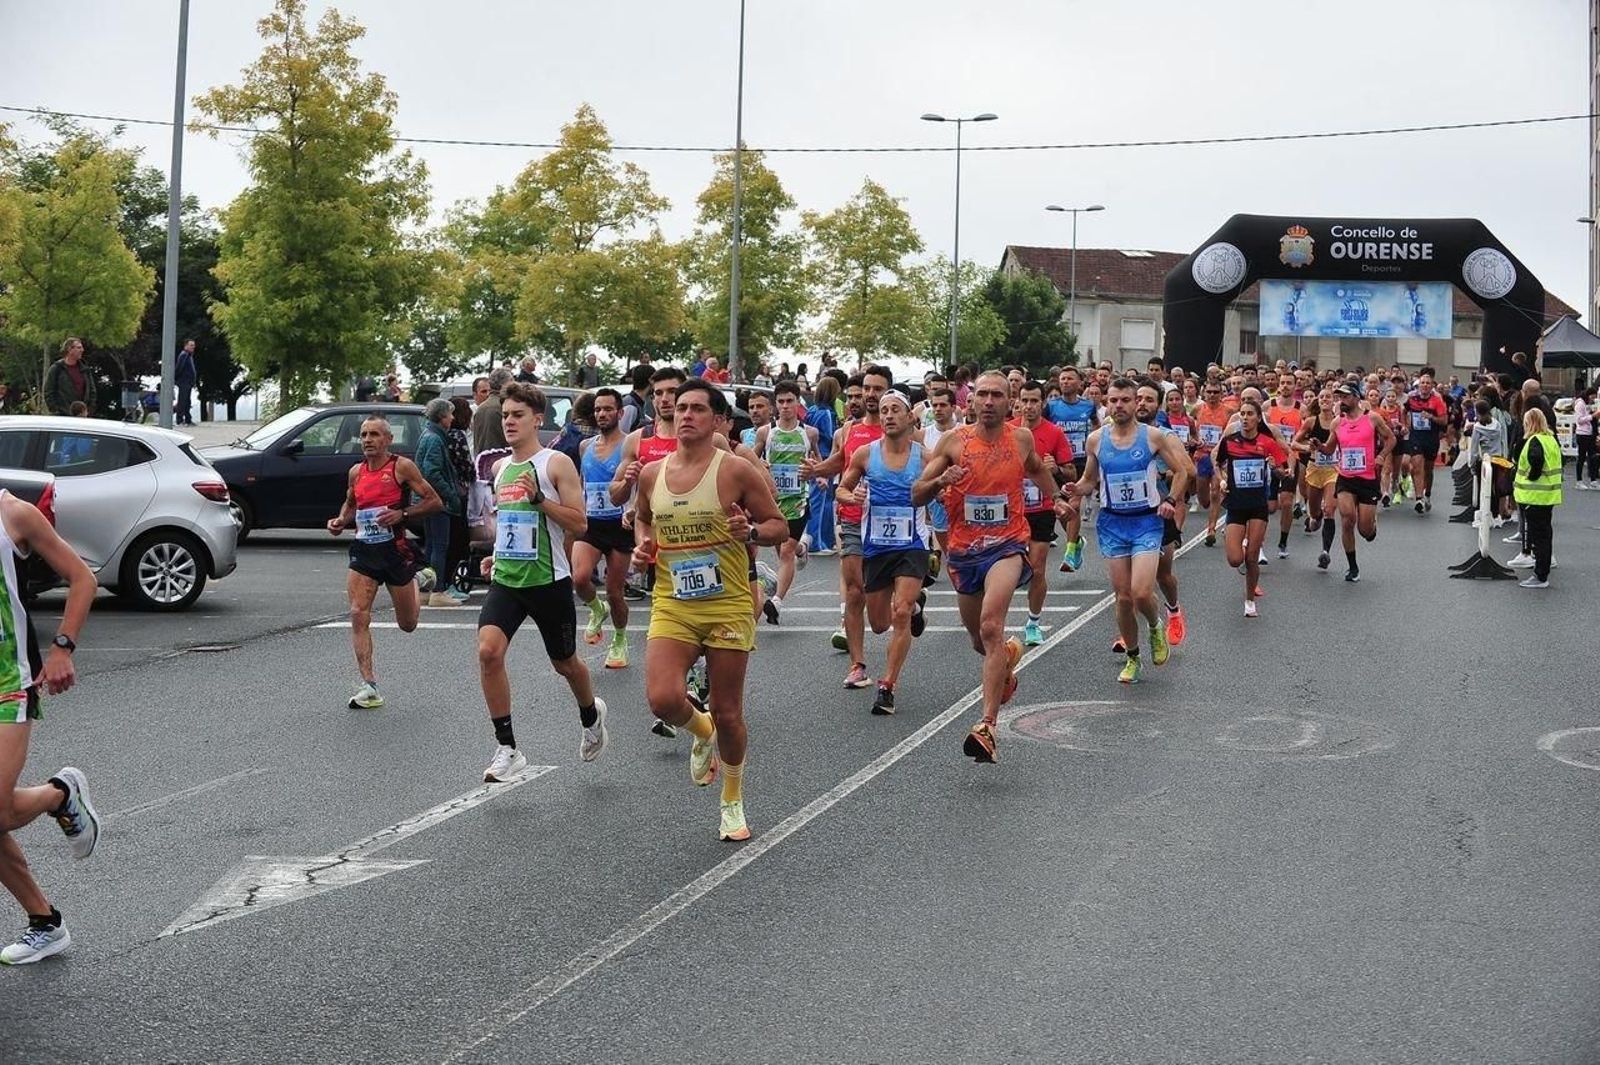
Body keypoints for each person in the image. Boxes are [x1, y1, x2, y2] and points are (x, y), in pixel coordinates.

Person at [633, 379, 787, 841]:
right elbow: (643, 517)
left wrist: (750, 533)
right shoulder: (651, 473)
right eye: (681, 407)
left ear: (718, 419)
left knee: (729, 711)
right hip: (673, 602)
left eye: (698, 408)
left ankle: (733, 799)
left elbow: (777, 525)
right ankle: (701, 733)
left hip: (727, 604)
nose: (685, 415)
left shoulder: (735, 471)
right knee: (662, 699)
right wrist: (643, 546)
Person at [913, 369, 1054, 763]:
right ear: (971, 401)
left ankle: (987, 725)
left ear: (1010, 402)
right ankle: (1006, 659)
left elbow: (1038, 471)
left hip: (1007, 546)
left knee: (992, 626)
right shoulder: (953, 443)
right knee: (980, 640)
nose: (989, 401)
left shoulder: (1020, 438)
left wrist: (1058, 499)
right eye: (983, 395)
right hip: (963, 552)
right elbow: (916, 495)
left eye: (998, 395)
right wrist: (942, 479)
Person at [478, 382, 608, 783]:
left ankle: (591, 716)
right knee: (488, 652)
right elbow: (509, 524)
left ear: (538, 419)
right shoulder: (500, 468)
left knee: (565, 663)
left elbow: (580, 522)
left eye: (518, 415)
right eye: (505, 415)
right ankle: (507, 748)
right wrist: (496, 554)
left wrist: (541, 501)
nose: (510, 422)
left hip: (548, 580)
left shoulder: (555, 464)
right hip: (508, 581)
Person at [0, 486, 99, 965]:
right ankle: (46, 923)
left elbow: (82, 578)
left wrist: (62, 647)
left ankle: (60, 793)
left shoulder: (14, 515)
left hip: (7, 682)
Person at [1064, 378, 1190, 684]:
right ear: (1106, 404)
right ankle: (1133, 657)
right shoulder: (1095, 439)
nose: (1119, 405)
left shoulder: (1153, 437)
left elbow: (1182, 471)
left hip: (1146, 521)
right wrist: (1073, 488)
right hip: (1113, 523)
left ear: (1136, 404)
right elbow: (1089, 480)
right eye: (1114, 400)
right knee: (1122, 598)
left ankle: (1155, 626)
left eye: (1125, 400)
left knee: (1142, 592)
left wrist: (1171, 500)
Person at [326, 417, 444, 708]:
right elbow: (351, 504)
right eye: (364, 434)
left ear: (388, 439)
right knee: (357, 613)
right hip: (364, 551)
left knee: (408, 624)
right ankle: (369, 686)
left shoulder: (401, 467)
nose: (367, 439)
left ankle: (417, 580)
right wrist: (341, 520)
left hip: (396, 551)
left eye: (375, 434)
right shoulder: (356, 472)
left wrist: (402, 515)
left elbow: (435, 501)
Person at [838, 390, 931, 714]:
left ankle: (887, 685)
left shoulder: (925, 456)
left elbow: (940, 488)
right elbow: (842, 488)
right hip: (876, 546)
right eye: (885, 410)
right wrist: (850, 497)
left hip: (913, 543)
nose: (889, 415)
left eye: (896, 410)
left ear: (909, 418)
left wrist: (943, 487)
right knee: (879, 624)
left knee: (900, 612)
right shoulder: (865, 454)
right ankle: (917, 607)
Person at [801, 366, 890, 688]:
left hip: (891, 525)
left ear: (888, 393)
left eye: (877, 389)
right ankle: (858, 665)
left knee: (882, 619)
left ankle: (910, 601)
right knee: (854, 593)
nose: (869, 395)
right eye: (866, 389)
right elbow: (842, 462)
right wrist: (816, 471)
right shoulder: (850, 431)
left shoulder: (899, 429)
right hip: (853, 519)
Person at [573, 389, 634, 669]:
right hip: (592, 523)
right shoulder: (585, 446)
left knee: (614, 591)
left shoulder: (628, 445)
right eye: (598, 409)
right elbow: (583, 483)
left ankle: (619, 638)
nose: (602, 414)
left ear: (620, 413)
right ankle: (598, 610)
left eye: (608, 409)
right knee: (580, 578)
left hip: (620, 526)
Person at [1214, 398, 1292, 618]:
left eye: (1250, 414)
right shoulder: (1229, 441)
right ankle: (1237, 539)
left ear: (1259, 418)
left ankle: (1249, 601)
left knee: (1251, 557)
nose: (1245, 418)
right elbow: (1218, 463)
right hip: (1236, 504)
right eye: (1242, 414)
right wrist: (1221, 480)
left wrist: (1275, 468)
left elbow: (1282, 472)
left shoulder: (1267, 442)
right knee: (1234, 559)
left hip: (1258, 504)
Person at [1312, 384, 1396, 582]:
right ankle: (1352, 567)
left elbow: (1391, 439)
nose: (1341, 400)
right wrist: (1319, 446)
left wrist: (1382, 455)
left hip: (1367, 479)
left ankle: (1371, 527)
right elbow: (1330, 449)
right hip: (1346, 479)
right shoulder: (1337, 423)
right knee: (1347, 518)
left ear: (1357, 398)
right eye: (1339, 397)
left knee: (1365, 530)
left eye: (1345, 397)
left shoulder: (1372, 418)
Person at [1013, 380, 1073, 647]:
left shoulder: (1054, 432)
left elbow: (1071, 471)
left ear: (1043, 403)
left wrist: (1057, 469)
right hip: (1010, 510)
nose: (1028, 406)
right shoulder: (1008, 431)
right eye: (1024, 400)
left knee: (1037, 569)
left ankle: (1033, 623)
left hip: (1041, 509)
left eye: (1034, 401)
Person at [752, 380, 819, 621]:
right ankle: (803, 547)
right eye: (780, 402)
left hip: (798, 500)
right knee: (781, 546)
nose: (785, 406)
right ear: (775, 405)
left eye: (790, 401)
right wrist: (761, 465)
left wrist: (817, 475)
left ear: (797, 402)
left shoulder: (809, 433)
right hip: (772, 501)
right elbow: (750, 460)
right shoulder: (766, 432)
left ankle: (777, 601)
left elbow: (819, 463)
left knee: (785, 553)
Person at [1139, 383, 1195, 647]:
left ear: (1158, 405)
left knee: (1162, 576)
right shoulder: (1116, 436)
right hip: (1130, 516)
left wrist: (1163, 475)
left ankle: (1173, 610)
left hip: (1160, 513)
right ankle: (1130, 635)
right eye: (1137, 398)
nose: (1141, 403)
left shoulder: (1167, 437)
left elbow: (1189, 470)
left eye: (1149, 400)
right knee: (1131, 584)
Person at [1045, 367, 1097, 571]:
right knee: (1061, 511)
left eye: (1070, 378)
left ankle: (1069, 553)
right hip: (1059, 463)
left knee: (1074, 506)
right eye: (1063, 379)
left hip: (1081, 462)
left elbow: (1096, 424)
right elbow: (1045, 429)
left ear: (1079, 383)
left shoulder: (1089, 405)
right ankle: (1077, 541)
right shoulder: (1051, 407)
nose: (1065, 382)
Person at [415, 399, 465, 608]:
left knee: (432, 545)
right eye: (450, 414)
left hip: (427, 500)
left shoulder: (428, 435)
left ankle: (426, 590)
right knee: (440, 546)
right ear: (442, 416)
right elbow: (432, 472)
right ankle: (438, 591)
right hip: (437, 502)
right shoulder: (435, 439)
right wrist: (451, 495)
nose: (452, 418)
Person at [1507, 407, 1560, 586]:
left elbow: (1536, 460)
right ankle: (1542, 571)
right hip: (1547, 495)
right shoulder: (1550, 439)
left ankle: (1540, 575)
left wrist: (1532, 476)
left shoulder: (1534, 440)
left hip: (1535, 495)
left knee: (1538, 538)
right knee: (1545, 534)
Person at [1401, 370, 1449, 513]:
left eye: (1428, 383)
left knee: (1428, 469)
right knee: (1417, 467)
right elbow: (1403, 411)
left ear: (1432, 385)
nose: (1425, 385)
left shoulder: (1437, 401)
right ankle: (1419, 499)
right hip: (1416, 437)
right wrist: (1404, 425)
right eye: (1423, 382)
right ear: (1418, 385)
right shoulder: (1412, 399)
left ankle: (1427, 494)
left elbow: (1444, 420)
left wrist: (1431, 418)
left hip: (1431, 438)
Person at [803, 375, 840, 554]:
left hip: (814, 455)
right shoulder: (826, 413)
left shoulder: (811, 409)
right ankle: (817, 542)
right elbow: (831, 435)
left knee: (819, 500)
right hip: (825, 457)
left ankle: (825, 540)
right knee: (821, 501)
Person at [44, 338, 95, 416]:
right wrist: (56, 410)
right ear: (70, 350)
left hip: (83, 416)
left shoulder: (85, 369)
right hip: (63, 416)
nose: (82, 350)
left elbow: (92, 391)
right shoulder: (57, 369)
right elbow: (49, 392)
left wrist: (89, 410)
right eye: (79, 348)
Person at [471, 368, 514, 455]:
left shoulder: (481, 408)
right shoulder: (504, 407)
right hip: (499, 461)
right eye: (512, 381)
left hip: (483, 461)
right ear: (506, 384)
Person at [1574, 386, 1597, 489]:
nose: (1592, 399)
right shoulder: (1580, 404)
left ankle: (1593, 480)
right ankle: (1579, 481)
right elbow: (1579, 420)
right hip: (1582, 434)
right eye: (1592, 397)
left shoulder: (1587, 405)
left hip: (1589, 433)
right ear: (1588, 395)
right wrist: (1592, 416)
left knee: (1592, 457)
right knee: (1581, 457)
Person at [174, 340, 198, 426]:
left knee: (187, 401)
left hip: (188, 382)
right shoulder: (184, 355)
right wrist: (176, 378)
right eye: (191, 345)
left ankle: (188, 419)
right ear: (186, 346)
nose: (193, 347)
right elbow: (179, 368)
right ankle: (179, 420)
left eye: (194, 345)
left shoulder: (189, 356)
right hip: (184, 382)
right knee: (182, 401)